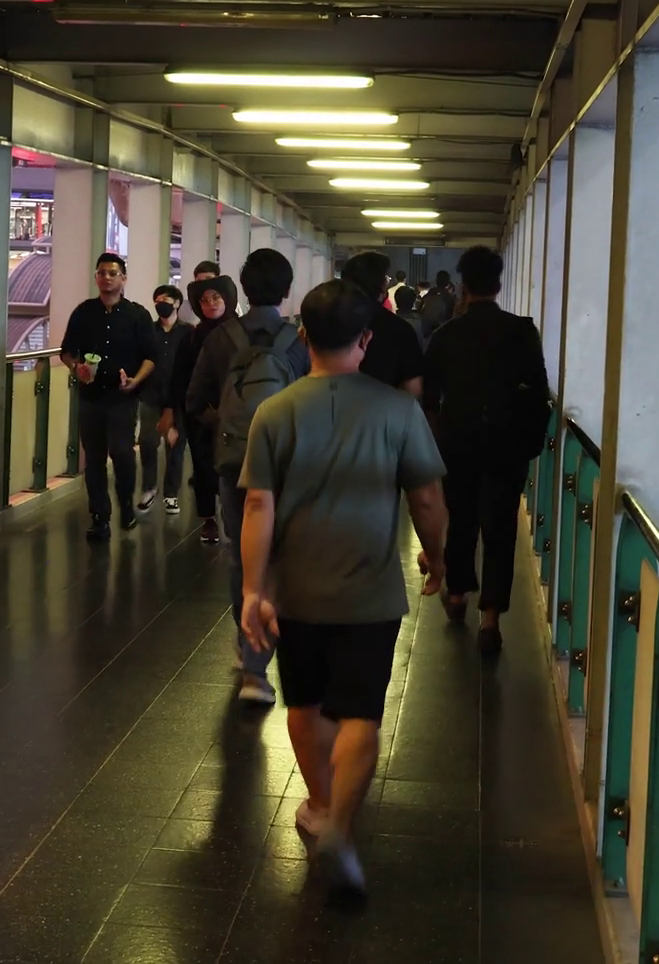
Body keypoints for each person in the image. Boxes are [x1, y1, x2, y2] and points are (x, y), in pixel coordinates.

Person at [238, 278, 449, 892]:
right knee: (359, 713)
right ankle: (340, 826)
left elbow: (257, 505)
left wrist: (253, 590)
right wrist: (437, 559)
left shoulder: (275, 411)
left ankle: (321, 803)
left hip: (298, 589)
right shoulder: (398, 410)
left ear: (303, 336)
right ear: (366, 339)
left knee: (305, 704)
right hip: (370, 591)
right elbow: (427, 498)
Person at [186, 249, 308, 704]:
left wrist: (225, 425)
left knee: (243, 558)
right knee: (284, 556)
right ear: (287, 290)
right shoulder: (298, 341)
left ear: (243, 289)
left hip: (235, 461)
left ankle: (252, 661)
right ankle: (286, 650)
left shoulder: (221, 338)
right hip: (288, 463)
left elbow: (194, 400)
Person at [421, 246, 552, 655]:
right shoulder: (521, 332)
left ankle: (457, 593)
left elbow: (429, 397)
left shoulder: (446, 336)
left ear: (464, 287)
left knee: (460, 519)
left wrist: (439, 438)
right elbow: (539, 391)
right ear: (498, 284)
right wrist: (529, 441)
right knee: (500, 528)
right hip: (506, 445)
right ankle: (491, 617)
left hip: (457, 442)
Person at [60, 253, 160, 542]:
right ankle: (99, 516)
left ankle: (126, 505)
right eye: (102, 273)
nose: (106, 278)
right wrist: (76, 368)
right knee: (93, 459)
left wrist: (136, 380)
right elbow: (67, 352)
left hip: (122, 397)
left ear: (123, 279)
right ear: (96, 278)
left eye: (113, 273)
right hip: (90, 396)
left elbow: (151, 357)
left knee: (122, 453)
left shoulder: (138, 315)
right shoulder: (83, 313)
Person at [162, 273, 237, 547]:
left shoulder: (240, 335)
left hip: (234, 414)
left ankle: (233, 515)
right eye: (204, 300)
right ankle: (208, 519)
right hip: (199, 414)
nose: (211, 304)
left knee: (232, 467)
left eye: (216, 298)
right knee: (204, 468)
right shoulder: (192, 338)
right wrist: (174, 412)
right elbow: (179, 378)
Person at [340, 251, 425, 398]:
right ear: (380, 284)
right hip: (388, 408)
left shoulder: (329, 321)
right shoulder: (400, 329)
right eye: (386, 278)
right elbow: (413, 389)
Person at [137, 285, 191, 515]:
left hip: (179, 398)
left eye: (166, 300)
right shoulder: (149, 332)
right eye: (157, 300)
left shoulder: (188, 332)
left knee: (175, 446)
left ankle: (171, 494)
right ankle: (149, 488)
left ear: (177, 303)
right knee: (148, 443)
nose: (161, 304)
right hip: (151, 395)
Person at [418, 269, 456, 341]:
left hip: (426, 329)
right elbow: (450, 315)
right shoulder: (449, 297)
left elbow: (420, 309)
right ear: (447, 282)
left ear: (436, 280)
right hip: (442, 330)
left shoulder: (430, 293)